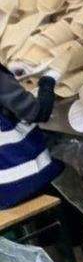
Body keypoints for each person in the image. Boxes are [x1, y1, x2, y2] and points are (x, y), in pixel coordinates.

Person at [0, 64, 62, 208]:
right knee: (71, 174)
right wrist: (48, 80)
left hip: (3, 192)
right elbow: (39, 113)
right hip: (24, 182)